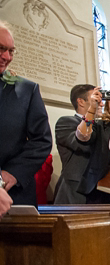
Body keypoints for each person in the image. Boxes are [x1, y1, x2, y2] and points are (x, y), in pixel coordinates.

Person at [0, 21, 52, 206]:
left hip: (13, 193)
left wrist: (12, 173)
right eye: (1, 48)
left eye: (11, 51)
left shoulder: (26, 90)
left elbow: (42, 140)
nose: (6, 56)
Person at [75, 86, 110, 203]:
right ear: (107, 106)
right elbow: (82, 135)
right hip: (102, 187)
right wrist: (92, 108)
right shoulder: (101, 125)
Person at [54, 84, 96, 204]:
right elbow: (82, 143)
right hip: (74, 194)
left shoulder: (103, 125)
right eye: (95, 98)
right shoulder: (66, 122)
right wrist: (92, 112)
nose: (101, 103)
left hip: (99, 192)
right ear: (81, 102)